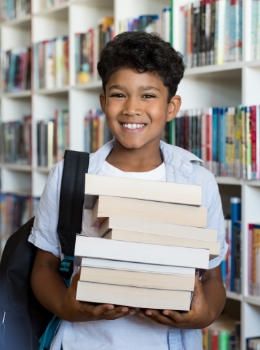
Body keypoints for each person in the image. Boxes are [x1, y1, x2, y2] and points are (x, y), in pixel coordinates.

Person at [29, 31, 228, 350]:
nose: (132, 109)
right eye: (119, 94)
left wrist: (203, 316)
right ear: (103, 102)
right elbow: (45, 265)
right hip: (83, 341)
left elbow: (212, 278)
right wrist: (68, 308)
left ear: (172, 105)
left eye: (148, 95)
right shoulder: (70, 176)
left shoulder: (197, 181)